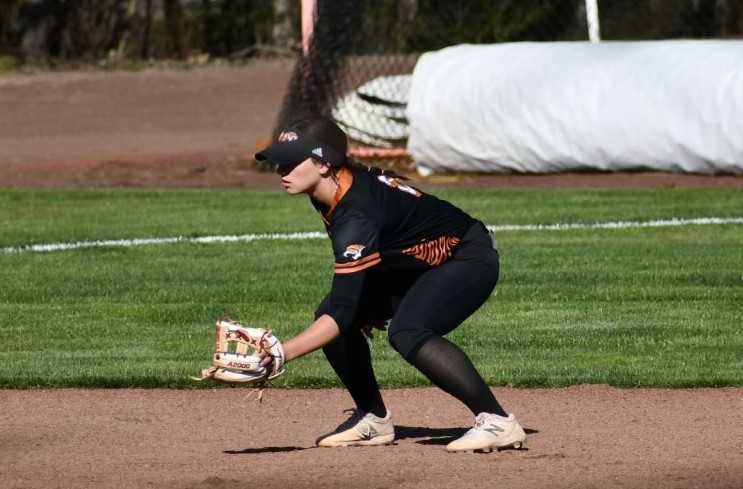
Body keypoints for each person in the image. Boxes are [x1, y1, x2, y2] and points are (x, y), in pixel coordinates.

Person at [255, 116, 526, 453]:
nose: (282, 169)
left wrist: (281, 354)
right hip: (418, 265)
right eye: (281, 159)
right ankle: (373, 419)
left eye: (293, 161)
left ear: (324, 164)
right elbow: (379, 257)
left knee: (407, 331)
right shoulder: (331, 190)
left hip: (468, 258)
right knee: (331, 313)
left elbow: (342, 311)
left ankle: (497, 421)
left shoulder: (356, 212)